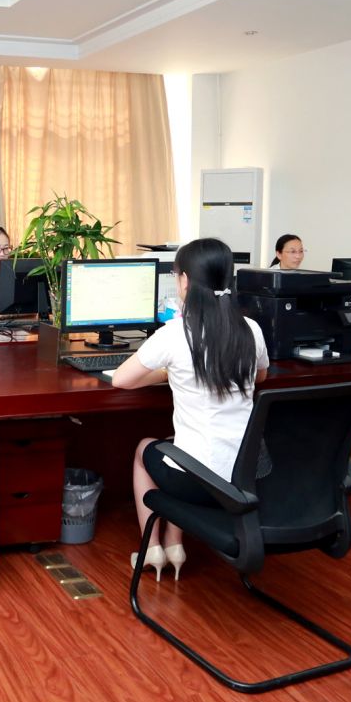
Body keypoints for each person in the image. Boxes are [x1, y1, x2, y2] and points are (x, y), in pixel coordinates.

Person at [111, 238, 269, 581]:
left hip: (199, 484)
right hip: (245, 479)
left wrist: (169, 371)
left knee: (144, 450)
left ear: (184, 281)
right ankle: (174, 543)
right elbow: (260, 376)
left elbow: (121, 380)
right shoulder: (251, 330)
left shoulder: (175, 334)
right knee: (177, 444)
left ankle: (151, 547)